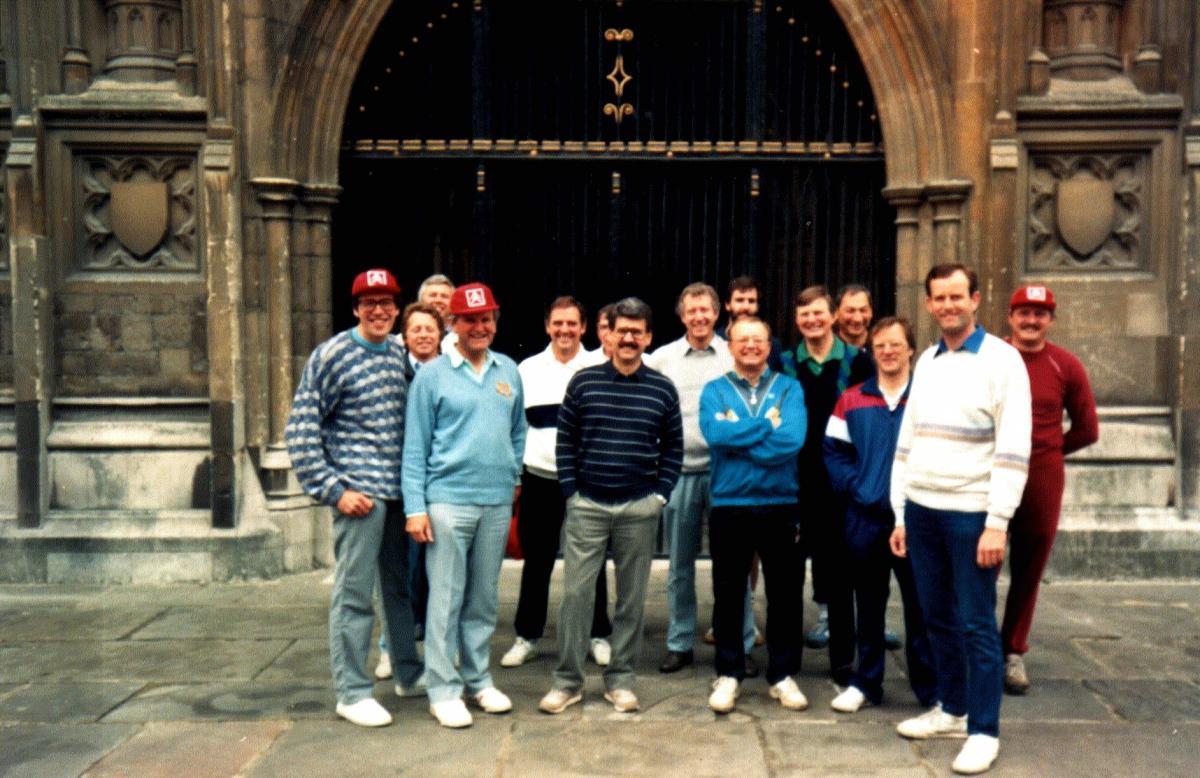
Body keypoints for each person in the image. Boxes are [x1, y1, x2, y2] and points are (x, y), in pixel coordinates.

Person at [889, 264, 1032, 775]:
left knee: (976, 624)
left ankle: (983, 730)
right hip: (923, 512)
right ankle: (952, 709)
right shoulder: (926, 359)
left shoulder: (1004, 361)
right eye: (939, 298)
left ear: (975, 299)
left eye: (957, 296)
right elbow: (908, 440)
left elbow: (1015, 447)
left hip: (972, 515)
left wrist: (998, 521)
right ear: (929, 305)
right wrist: (900, 512)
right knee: (936, 619)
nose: (948, 305)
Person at [285, 268, 421, 728]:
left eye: (386, 302)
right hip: (360, 497)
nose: (379, 311)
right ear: (355, 308)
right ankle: (352, 690)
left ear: (398, 308)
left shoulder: (398, 353)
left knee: (398, 591)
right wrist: (334, 490)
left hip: (397, 494)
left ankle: (407, 673)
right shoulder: (333, 354)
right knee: (354, 594)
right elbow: (301, 430)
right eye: (369, 303)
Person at [539, 297, 683, 715]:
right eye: (622, 330)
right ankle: (567, 681)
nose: (629, 338)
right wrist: (571, 491)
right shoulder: (584, 382)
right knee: (576, 596)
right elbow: (565, 440)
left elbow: (672, 446)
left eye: (637, 332)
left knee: (632, 600)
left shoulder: (662, 389)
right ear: (608, 334)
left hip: (638, 506)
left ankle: (620, 679)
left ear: (648, 338)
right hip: (588, 505)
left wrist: (660, 494)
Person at [403, 282, 527, 729]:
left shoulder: (507, 370)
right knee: (446, 597)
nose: (480, 327)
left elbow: (517, 431)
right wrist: (415, 507)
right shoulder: (432, 375)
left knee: (483, 597)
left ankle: (478, 678)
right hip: (447, 502)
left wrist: (512, 477)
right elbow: (415, 447)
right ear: (452, 324)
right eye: (470, 319)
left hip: (494, 501)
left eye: (486, 318)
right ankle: (443, 688)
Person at [823, 316, 937, 714]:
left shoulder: (927, 399)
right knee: (868, 604)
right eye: (880, 346)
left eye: (895, 344)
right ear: (871, 353)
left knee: (921, 608)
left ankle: (929, 687)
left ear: (911, 349)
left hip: (916, 520)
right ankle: (866, 682)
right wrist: (859, 487)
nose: (887, 352)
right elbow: (834, 452)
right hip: (866, 519)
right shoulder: (852, 398)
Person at [645, 282, 756, 676]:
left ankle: (740, 643)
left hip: (727, 473)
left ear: (716, 313)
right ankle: (679, 642)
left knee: (734, 564)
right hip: (679, 472)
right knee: (679, 565)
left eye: (705, 310)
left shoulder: (733, 353)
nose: (698, 317)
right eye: (691, 311)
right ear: (682, 315)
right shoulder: (662, 359)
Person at [700, 316, 810, 714]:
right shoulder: (715, 390)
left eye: (758, 339)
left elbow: (792, 440)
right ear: (730, 345)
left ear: (769, 345)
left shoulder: (789, 388)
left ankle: (782, 675)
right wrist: (766, 426)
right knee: (729, 591)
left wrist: (742, 434)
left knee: (784, 592)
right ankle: (729, 673)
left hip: (780, 502)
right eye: (742, 339)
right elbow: (715, 436)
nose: (750, 345)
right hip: (731, 503)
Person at [501, 296, 612, 669]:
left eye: (572, 324)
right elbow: (516, 426)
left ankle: (597, 634)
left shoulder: (600, 365)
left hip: (586, 481)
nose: (565, 330)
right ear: (547, 326)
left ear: (583, 327)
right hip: (539, 477)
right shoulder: (527, 369)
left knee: (591, 562)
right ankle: (527, 635)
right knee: (538, 560)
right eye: (557, 324)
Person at [1000, 285, 1098, 695]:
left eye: (1040, 314)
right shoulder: (993, 357)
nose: (1031, 320)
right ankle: (975, 646)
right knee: (976, 557)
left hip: (1041, 474)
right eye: (1024, 312)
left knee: (1029, 563)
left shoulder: (1066, 365)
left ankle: (1012, 650)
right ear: (1010, 317)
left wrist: (1049, 451)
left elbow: (1087, 429)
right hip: (990, 469)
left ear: (1051, 321)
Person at [780, 285, 872, 682]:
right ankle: (787, 662)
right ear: (797, 321)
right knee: (787, 576)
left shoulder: (858, 362)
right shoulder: (784, 363)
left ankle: (841, 660)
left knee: (839, 575)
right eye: (804, 316)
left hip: (839, 483)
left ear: (833, 316)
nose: (812, 321)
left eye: (819, 314)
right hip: (794, 482)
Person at [374, 302, 444, 681]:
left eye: (429, 329)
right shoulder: (393, 373)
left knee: (439, 576)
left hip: (442, 487)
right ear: (404, 337)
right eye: (415, 329)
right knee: (398, 574)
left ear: (441, 334)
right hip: (398, 488)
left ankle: (440, 653)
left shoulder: (451, 373)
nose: (422, 335)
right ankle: (391, 649)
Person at [717, 275, 784, 372]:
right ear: (727, 305)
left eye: (751, 301)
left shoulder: (772, 345)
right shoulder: (714, 342)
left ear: (757, 306)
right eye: (740, 300)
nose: (746, 307)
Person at [417, 273, 457, 351]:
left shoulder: (462, 340)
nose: (438, 300)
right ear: (420, 301)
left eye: (444, 296)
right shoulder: (402, 341)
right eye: (433, 295)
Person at [834, 284, 874, 350]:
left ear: (871, 312)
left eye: (863, 310)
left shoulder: (882, 348)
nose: (857, 319)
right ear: (836, 313)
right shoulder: (826, 349)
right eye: (850, 311)